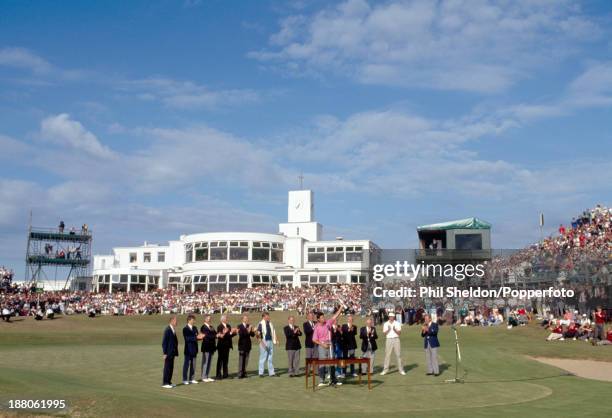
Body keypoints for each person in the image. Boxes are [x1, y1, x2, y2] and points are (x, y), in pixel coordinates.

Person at [313, 306, 344, 387]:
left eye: (324, 317)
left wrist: (340, 308)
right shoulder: (317, 327)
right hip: (322, 345)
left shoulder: (328, 323)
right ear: (318, 319)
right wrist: (323, 344)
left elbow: (335, 316)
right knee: (322, 363)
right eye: (322, 317)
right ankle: (321, 380)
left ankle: (333, 380)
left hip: (330, 345)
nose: (324, 318)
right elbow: (314, 339)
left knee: (332, 362)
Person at [256, 312, 279, 377]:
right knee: (263, 358)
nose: (268, 317)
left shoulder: (270, 323)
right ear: (263, 317)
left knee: (270, 358)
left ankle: (271, 373)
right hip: (264, 341)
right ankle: (261, 373)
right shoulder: (260, 324)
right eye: (267, 316)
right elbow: (258, 335)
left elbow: (273, 332)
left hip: (270, 341)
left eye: (268, 316)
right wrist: (262, 344)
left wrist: (276, 340)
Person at [183, 314, 202, 385]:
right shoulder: (185, 329)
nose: (194, 321)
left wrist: (201, 337)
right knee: (186, 365)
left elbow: (197, 337)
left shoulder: (195, 328)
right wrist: (197, 337)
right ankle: (185, 379)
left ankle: (192, 378)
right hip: (188, 350)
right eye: (193, 320)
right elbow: (187, 339)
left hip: (194, 349)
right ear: (189, 320)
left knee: (193, 365)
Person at [216, 315, 235, 380]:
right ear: (222, 320)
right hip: (221, 345)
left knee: (226, 360)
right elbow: (221, 336)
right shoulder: (219, 327)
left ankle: (225, 374)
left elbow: (230, 335)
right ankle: (218, 375)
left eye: (227, 318)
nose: (227, 319)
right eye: (226, 318)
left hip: (227, 345)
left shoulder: (228, 326)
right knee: (220, 360)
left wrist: (234, 332)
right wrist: (229, 333)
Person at [162, 316, 179, 388]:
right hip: (168, 352)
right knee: (167, 367)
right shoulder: (168, 329)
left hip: (172, 352)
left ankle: (169, 382)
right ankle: (165, 383)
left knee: (171, 367)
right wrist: (165, 353)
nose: (176, 322)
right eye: (175, 321)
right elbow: (164, 342)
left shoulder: (173, 329)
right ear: (171, 321)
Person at [237, 314, 255, 379]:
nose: (247, 319)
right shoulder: (239, 326)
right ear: (242, 319)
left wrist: (252, 331)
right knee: (241, 360)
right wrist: (248, 330)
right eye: (245, 318)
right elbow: (241, 335)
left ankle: (244, 372)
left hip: (248, 345)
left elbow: (252, 335)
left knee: (246, 360)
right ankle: (240, 374)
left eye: (247, 318)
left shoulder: (248, 325)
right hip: (242, 345)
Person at [200, 315, 216, 382]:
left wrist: (218, 334)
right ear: (205, 319)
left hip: (212, 347)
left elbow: (215, 333)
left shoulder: (211, 327)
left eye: (210, 318)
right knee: (205, 362)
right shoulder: (203, 327)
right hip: (206, 346)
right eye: (208, 319)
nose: (209, 320)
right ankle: (203, 377)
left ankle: (207, 376)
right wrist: (215, 335)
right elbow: (207, 336)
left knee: (209, 362)